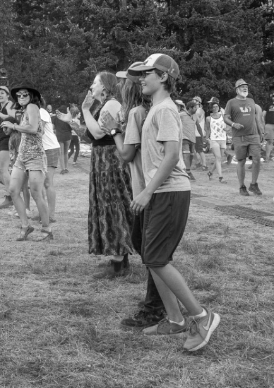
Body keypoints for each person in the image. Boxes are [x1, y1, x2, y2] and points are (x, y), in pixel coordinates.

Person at [128, 53, 220, 351]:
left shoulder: (165, 111)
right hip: (160, 192)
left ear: (164, 77)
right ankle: (175, 319)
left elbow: (170, 156)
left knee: (155, 257)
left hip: (169, 191)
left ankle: (202, 316)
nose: (142, 78)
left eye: (148, 73)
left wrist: (146, 191)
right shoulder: (155, 110)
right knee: (151, 255)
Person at [101, 63, 165, 328]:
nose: (122, 86)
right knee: (143, 245)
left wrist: (114, 130)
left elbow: (126, 154)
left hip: (147, 188)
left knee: (151, 252)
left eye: (125, 82)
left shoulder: (138, 113)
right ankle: (157, 303)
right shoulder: (140, 111)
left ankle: (155, 307)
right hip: (142, 187)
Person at [80, 72, 134, 278]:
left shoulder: (111, 104)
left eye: (95, 82)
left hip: (110, 162)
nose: (91, 86)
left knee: (113, 205)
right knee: (108, 204)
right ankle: (120, 256)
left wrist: (85, 110)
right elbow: (92, 136)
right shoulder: (105, 105)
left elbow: (98, 133)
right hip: (102, 160)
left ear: (105, 86)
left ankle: (119, 262)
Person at [1, 84, 52, 241]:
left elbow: (33, 128)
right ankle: (25, 226)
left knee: (36, 193)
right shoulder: (25, 110)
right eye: (19, 96)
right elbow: (29, 129)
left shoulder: (32, 107)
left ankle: (47, 229)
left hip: (35, 157)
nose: (21, 97)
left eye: (25, 95)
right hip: (22, 157)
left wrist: (13, 125)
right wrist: (12, 129)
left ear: (32, 97)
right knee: (13, 190)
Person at [224, 79, 265, 196]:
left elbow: (256, 118)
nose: (245, 88)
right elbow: (226, 118)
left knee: (257, 160)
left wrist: (261, 132)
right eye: (242, 86)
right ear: (237, 89)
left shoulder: (251, 101)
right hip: (239, 137)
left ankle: (253, 184)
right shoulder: (231, 102)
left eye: (246, 86)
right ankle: (242, 186)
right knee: (241, 161)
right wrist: (233, 124)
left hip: (253, 135)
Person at [0, 86, 18, 209]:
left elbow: (12, 118)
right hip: (0, 139)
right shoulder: (0, 107)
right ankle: (12, 191)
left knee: (3, 169)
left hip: (8, 139)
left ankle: (10, 196)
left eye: (2, 93)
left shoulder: (10, 104)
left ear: (8, 95)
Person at [38, 99, 60, 223]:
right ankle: (43, 213)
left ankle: (50, 214)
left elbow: (38, 131)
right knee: (39, 183)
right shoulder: (30, 113)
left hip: (50, 149)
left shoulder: (42, 112)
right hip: (39, 150)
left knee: (47, 182)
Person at [205, 98, 230, 183]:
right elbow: (207, 129)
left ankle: (210, 172)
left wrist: (227, 129)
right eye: (214, 107)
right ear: (211, 108)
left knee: (219, 159)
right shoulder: (208, 118)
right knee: (218, 158)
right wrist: (206, 139)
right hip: (214, 139)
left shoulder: (223, 116)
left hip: (223, 138)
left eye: (216, 106)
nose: (215, 108)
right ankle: (221, 177)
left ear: (219, 107)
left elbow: (229, 124)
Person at [179, 100, 197, 181]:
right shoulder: (181, 115)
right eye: (195, 107)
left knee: (191, 155)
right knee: (187, 154)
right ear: (190, 108)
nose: (196, 109)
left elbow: (198, 126)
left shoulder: (194, 116)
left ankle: (186, 170)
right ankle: (188, 172)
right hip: (184, 137)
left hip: (192, 138)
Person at [191, 96, 207, 170]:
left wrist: (194, 114)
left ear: (198, 102)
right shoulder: (196, 110)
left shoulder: (200, 110)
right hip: (194, 133)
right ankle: (199, 162)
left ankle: (204, 164)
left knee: (200, 150)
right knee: (194, 149)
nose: (192, 101)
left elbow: (199, 120)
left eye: (194, 100)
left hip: (198, 133)